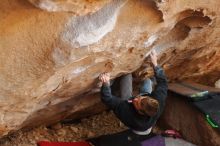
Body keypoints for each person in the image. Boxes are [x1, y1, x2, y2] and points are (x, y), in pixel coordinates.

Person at [92, 50, 168, 146]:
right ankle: (146, 86)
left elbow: (107, 99)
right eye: (140, 98)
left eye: (137, 102)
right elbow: (163, 83)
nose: (136, 99)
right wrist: (155, 64)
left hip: (137, 125)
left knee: (126, 76)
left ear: (140, 112)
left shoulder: (127, 112)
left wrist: (106, 84)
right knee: (147, 81)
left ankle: (127, 76)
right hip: (146, 113)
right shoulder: (158, 101)